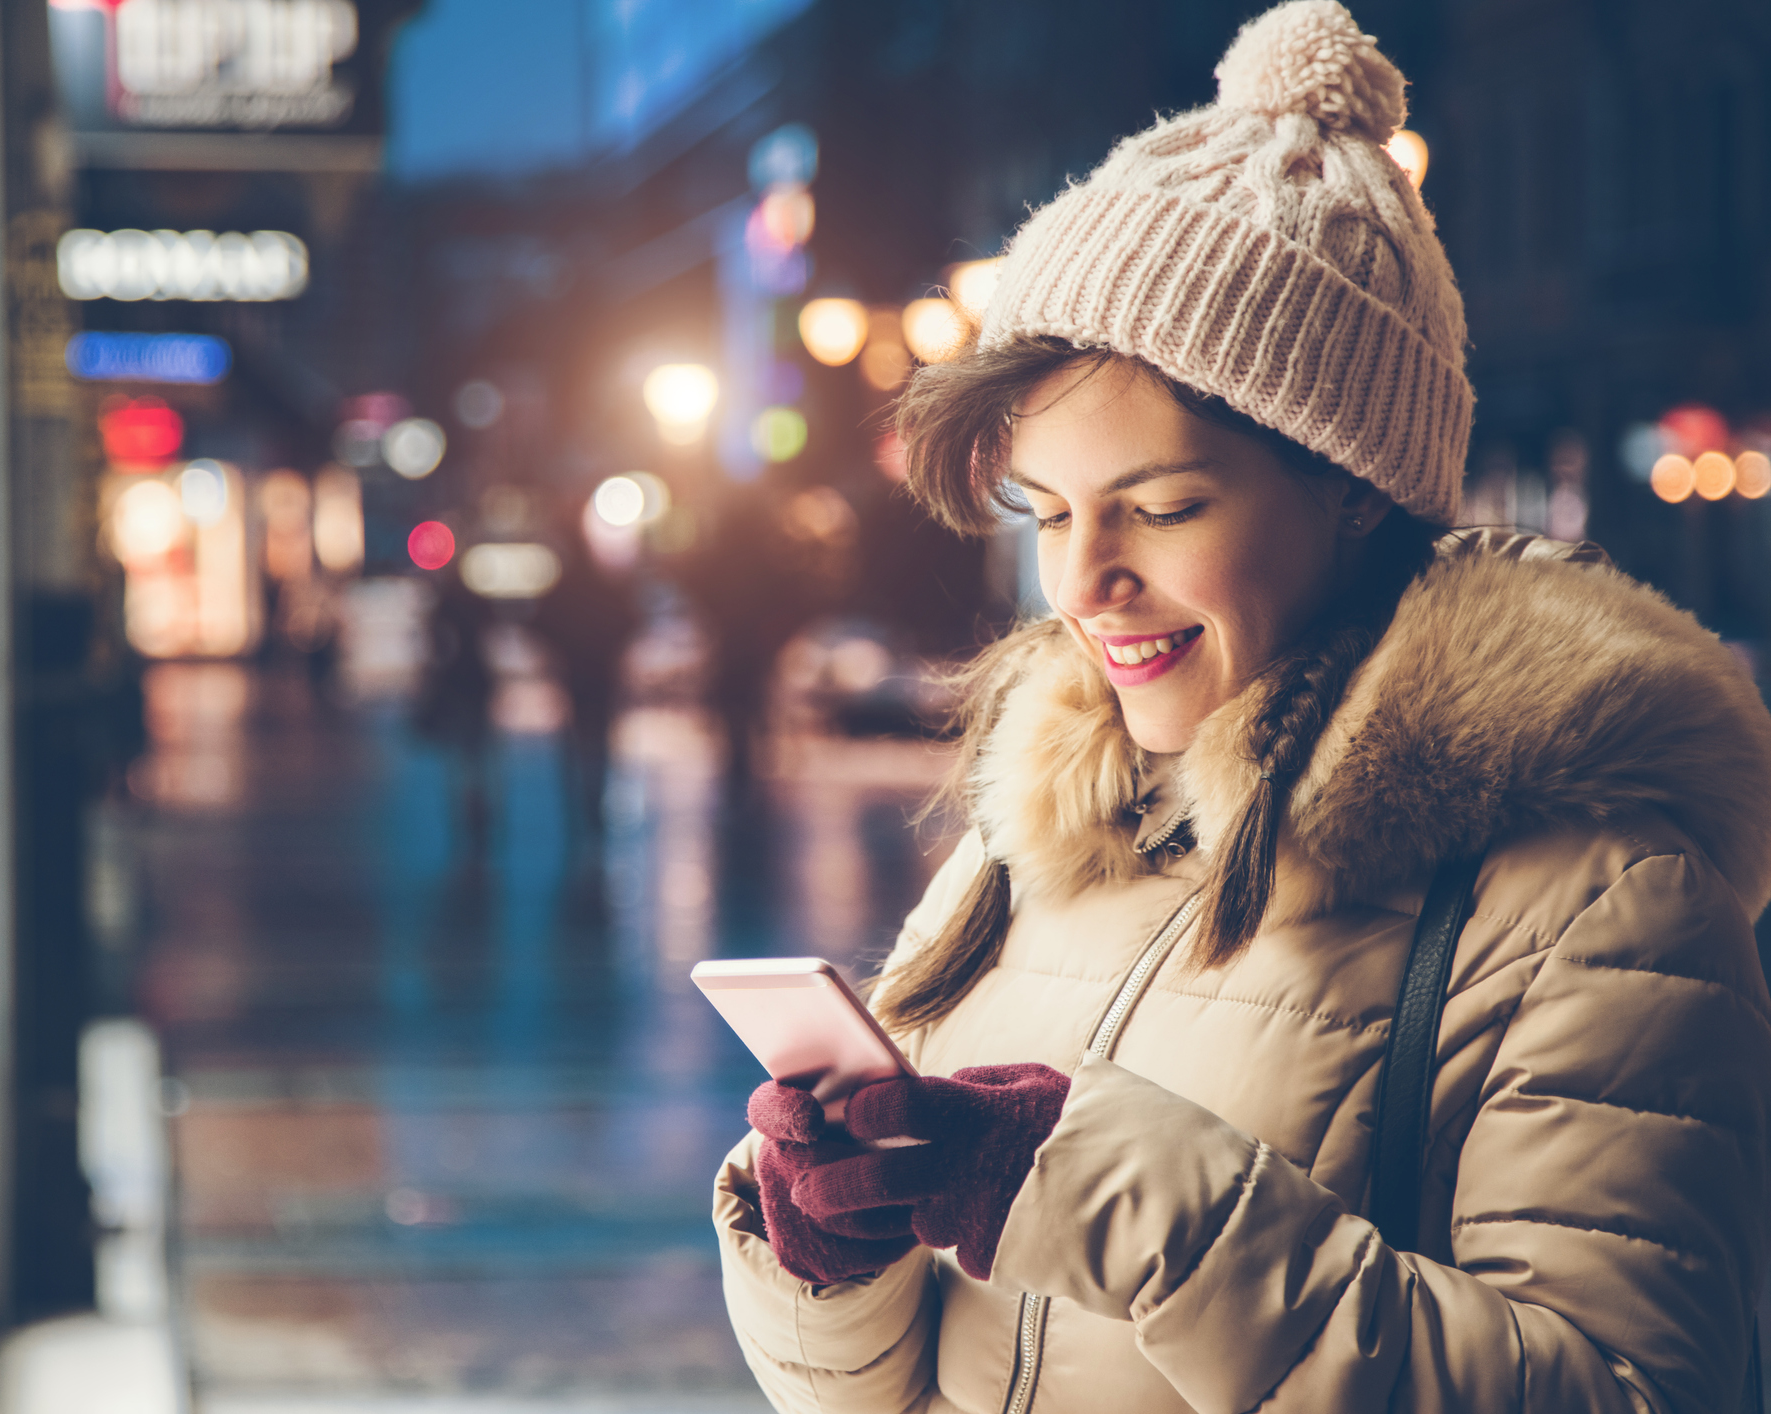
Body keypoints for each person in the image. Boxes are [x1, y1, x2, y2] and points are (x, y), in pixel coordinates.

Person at [712, 4, 1771, 1411]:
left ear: (1350, 491)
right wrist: (824, 1251)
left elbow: (1628, 1388)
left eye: (1159, 507)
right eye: (1050, 513)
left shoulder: (1594, 900)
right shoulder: (1031, 846)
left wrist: (1127, 1199)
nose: (1085, 581)